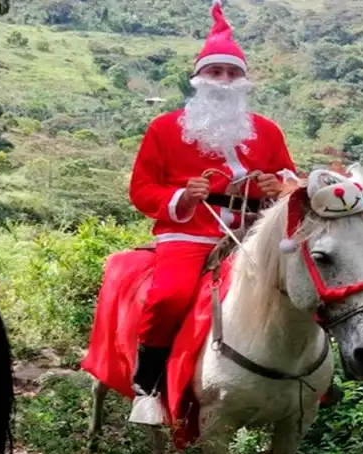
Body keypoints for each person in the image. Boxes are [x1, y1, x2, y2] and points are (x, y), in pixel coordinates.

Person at [126, 0, 297, 425]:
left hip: (255, 232)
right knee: (169, 296)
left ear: (244, 80)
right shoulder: (164, 128)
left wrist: (281, 188)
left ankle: (312, 379)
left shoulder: (267, 130)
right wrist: (183, 196)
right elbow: (142, 189)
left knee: (303, 284)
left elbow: (290, 179)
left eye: (232, 72)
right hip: (190, 234)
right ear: (198, 78)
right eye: (215, 72)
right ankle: (147, 387)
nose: (224, 80)